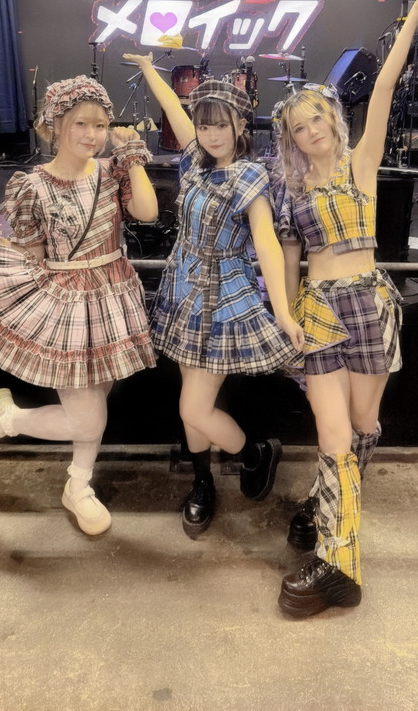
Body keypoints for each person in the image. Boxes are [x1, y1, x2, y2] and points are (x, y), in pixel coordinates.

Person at [272, 0, 418, 618]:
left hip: (370, 306)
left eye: (317, 119)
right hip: (320, 312)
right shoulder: (290, 193)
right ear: (291, 139)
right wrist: (286, 315)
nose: (311, 131)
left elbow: (383, 87)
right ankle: (340, 563)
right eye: (299, 127)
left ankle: (324, 504)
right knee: (333, 435)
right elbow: (289, 262)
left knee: (361, 430)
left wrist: (415, 14)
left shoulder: (361, 165)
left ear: (333, 118)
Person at [0, 75, 158, 536]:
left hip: (114, 294)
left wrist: (133, 157)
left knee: (96, 400)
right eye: (80, 124)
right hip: (68, 304)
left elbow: (148, 212)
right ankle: (8, 419)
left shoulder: (111, 172)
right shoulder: (32, 186)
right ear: (55, 125)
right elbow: (32, 257)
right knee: (88, 417)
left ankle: (78, 484)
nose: (92, 135)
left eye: (100, 125)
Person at [123, 52, 304, 538]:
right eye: (204, 126)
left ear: (241, 125)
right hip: (182, 290)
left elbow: (266, 242)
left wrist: (283, 312)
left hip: (222, 297)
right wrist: (148, 69)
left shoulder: (250, 175)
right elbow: (175, 109)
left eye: (221, 125)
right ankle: (202, 483)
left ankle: (253, 452)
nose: (211, 135)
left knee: (193, 408)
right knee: (191, 400)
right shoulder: (195, 163)